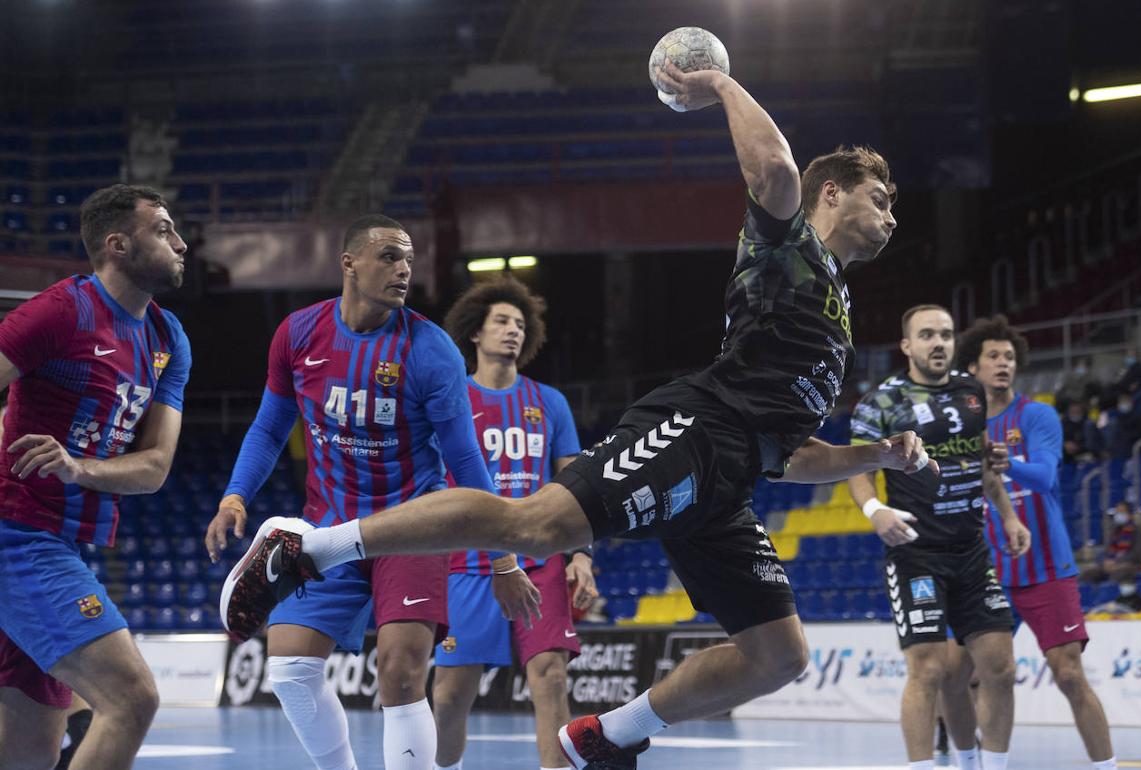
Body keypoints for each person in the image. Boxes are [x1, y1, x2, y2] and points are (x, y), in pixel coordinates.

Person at [222, 63, 936, 770]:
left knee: (780, 656)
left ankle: (606, 735)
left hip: (736, 476)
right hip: (696, 431)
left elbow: (792, 453)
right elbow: (777, 170)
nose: (893, 215)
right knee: (536, 525)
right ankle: (305, 551)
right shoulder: (791, 248)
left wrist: (880, 456)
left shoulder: (836, 308)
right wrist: (719, 82)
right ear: (833, 193)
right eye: (882, 197)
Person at [204, 214, 501, 770]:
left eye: (409, 258)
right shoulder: (298, 333)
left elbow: (464, 459)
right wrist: (235, 495)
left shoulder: (433, 351)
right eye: (389, 255)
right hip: (328, 533)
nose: (404, 268)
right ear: (349, 263)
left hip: (413, 530)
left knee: (401, 672)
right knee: (290, 672)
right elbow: (270, 426)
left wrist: (502, 556)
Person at [0, 184, 191, 770]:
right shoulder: (63, 310)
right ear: (117, 245)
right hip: (19, 536)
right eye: (162, 230)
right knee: (132, 700)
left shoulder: (166, 338)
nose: (181, 242)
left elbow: (155, 468)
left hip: (66, 541)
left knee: (28, 753)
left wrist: (78, 467)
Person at [848, 304, 1029, 770]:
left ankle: (985, 766)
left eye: (946, 335)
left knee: (1001, 669)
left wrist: (1008, 516)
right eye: (927, 335)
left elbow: (982, 462)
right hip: (916, 553)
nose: (938, 343)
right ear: (907, 345)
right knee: (928, 669)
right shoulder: (882, 401)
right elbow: (856, 468)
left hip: (972, 551)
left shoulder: (972, 391)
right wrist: (876, 509)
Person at [432, 277, 596, 770]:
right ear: (476, 335)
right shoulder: (450, 399)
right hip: (467, 561)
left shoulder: (550, 403)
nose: (513, 331)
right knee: (450, 695)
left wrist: (582, 554)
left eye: (521, 325)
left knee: (550, 676)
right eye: (502, 321)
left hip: (539, 556)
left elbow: (575, 485)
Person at [959, 315, 1118, 770]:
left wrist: (1009, 464)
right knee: (969, 676)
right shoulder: (961, 425)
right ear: (974, 367)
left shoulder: (1036, 415)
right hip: (986, 574)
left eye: (1009, 357)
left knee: (1069, 675)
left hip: (1048, 570)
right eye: (993, 356)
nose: (1003, 363)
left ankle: (1106, 767)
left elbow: (1047, 477)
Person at [1080, 503, 1141, 585]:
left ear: (1129, 515)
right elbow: (1106, 551)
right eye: (1117, 511)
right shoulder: (1114, 532)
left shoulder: (1137, 532)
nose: (1118, 514)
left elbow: (1137, 553)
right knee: (1088, 574)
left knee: (1118, 574)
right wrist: (1104, 562)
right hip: (1110, 564)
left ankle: (1108, 596)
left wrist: (1117, 562)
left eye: (1121, 511)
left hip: (1128, 564)